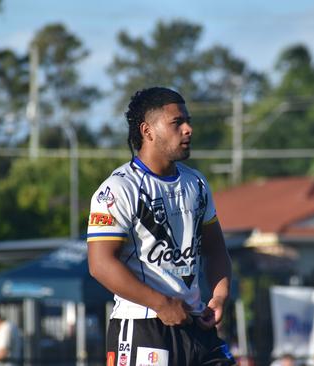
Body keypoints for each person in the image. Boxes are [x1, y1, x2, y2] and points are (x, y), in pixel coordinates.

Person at [87, 87, 235, 366]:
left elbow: (216, 250)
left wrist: (219, 296)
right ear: (147, 131)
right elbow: (100, 264)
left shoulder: (197, 183)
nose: (188, 129)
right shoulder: (119, 189)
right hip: (144, 327)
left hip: (196, 326)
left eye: (188, 121)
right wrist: (161, 303)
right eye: (177, 122)